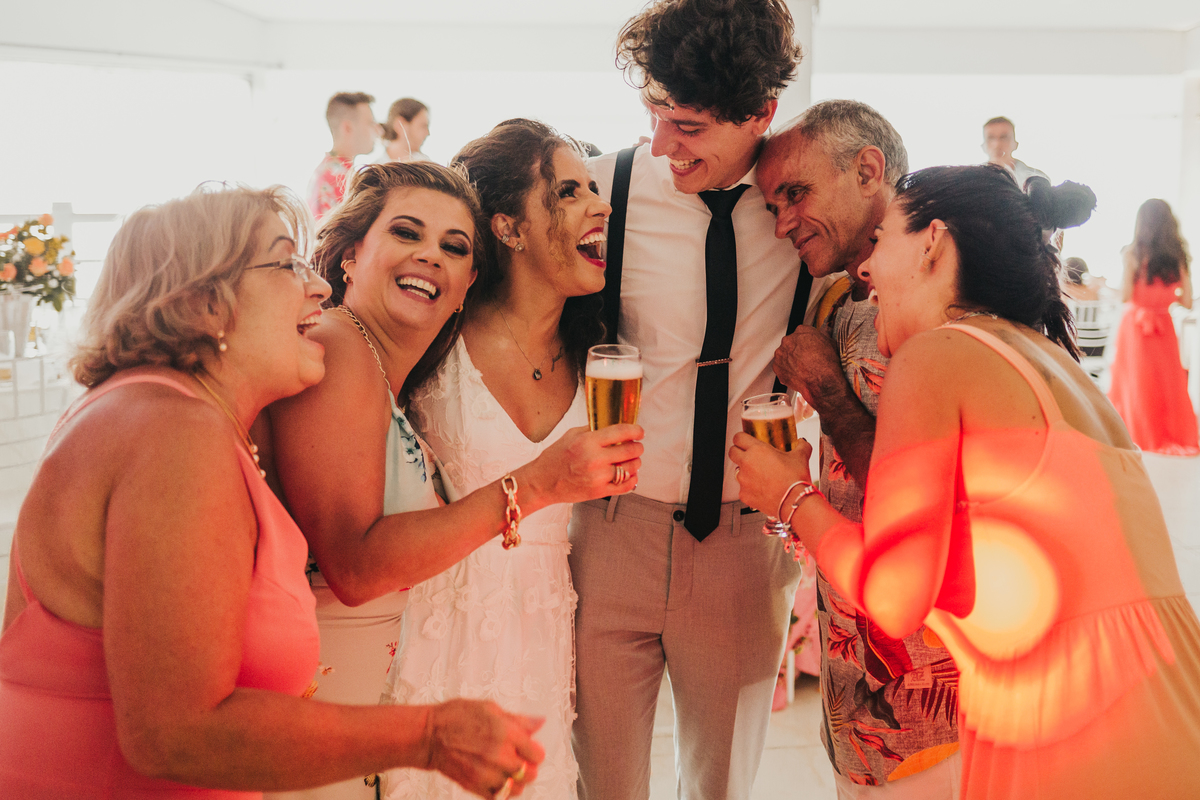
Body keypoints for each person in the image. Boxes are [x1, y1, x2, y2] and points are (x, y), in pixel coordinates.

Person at [0, 184, 544, 798]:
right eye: (287, 262)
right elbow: (173, 733)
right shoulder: (173, 434)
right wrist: (430, 735)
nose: (316, 287)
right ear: (206, 299)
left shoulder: (160, 414)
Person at [732, 164, 1200, 800]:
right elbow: (973, 583)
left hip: (1068, 735)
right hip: (1167, 708)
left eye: (882, 243)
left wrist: (791, 495)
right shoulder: (1050, 363)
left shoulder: (936, 356)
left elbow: (895, 597)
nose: (865, 272)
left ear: (934, 244)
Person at [265, 162, 642, 800]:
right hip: (326, 699)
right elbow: (353, 568)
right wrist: (538, 485)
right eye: (407, 233)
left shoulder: (380, 365)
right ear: (352, 254)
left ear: (469, 282)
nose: (430, 257)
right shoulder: (339, 349)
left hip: (388, 687)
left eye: (453, 247)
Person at [572, 2, 833, 797]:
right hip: (613, 528)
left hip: (743, 543)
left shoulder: (802, 208)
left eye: (686, 126)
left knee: (719, 784)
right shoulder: (605, 189)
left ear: (761, 113)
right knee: (605, 781)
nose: (661, 145)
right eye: (653, 115)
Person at [381, 118, 614, 800]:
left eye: (595, 190)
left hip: (540, 637)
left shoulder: (597, 354)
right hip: (433, 631)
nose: (600, 206)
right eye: (569, 191)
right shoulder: (434, 332)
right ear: (509, 229)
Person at [758, 101, 962, 798]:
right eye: (772, 205)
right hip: (858, 690)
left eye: (797, 193)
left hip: (936, 701)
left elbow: (925, 500)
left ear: (868, 170)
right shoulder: (838, 296)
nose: (783, 222)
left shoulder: (944, 303)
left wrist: (828, 393)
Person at [1107, 198, 1198, 456]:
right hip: (1164, 326)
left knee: (1136, 384)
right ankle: (1170, 434)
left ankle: (1137, 434)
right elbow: (1188, 301)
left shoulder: (1133, 253)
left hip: (1136, 328)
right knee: (1168, 383)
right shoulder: (1178, 257)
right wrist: (1165, 294)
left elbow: (1125, 295)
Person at [308, 92, 380, 221]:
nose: (378, 130)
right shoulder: (341, 180)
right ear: (347, 127)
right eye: (370, 123)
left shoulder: (326, 171)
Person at [980, 117, 1047, 193]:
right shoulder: (975, 180)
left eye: (1004, 137)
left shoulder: (1036, 179)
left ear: (1015, 144)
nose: (997, 144)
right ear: (983, 146)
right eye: (991, 138)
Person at [379, 98, 432, 163]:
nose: (427, 133)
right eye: (423, 126)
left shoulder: (427, 165)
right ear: (400, 125)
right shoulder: (375, 170)